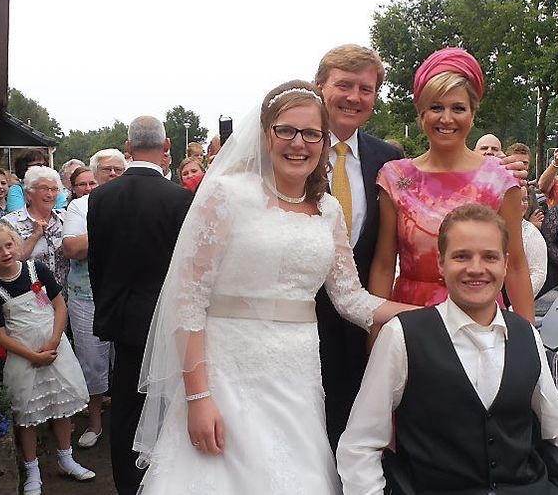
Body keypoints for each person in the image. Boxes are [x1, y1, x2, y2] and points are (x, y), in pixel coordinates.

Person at [132, 80, 415, 495]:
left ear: (323, 140)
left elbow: (351, 299)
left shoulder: (328, 209)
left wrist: (426, 313)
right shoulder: (227, 196)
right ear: (267, 134)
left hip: (297, 376)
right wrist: (198, 398)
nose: (298, 143)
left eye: (311, 133)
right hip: (226, 373)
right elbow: (187, 300)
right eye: (287, 130)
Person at [337, 204, 558, 495]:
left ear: (505, 265)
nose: (476, 268)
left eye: (489, 257)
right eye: (461, 256)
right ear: (441, 264)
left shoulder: (526, 334)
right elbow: (361, 445)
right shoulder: (401, 336)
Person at [370, 48, 534, 321]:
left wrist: (528, 340)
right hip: (411, 321)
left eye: (458, 108)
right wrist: (374, 331)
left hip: (479, 318)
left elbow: (515, 264)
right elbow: (385, 264)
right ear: (421, 112)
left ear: (472, 114)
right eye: (436, 107)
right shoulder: (394, 177)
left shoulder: (500, 180)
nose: (446, 118)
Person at [87, 116, 194, 494]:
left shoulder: (100, 197)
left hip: (122, 317)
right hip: (166, 316)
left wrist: (108, 308)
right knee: (169, 404)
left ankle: (127, 484)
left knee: (128, 406)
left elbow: (96, 263)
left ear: (128, 147)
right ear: (165, 148)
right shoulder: (181, 198)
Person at [311, 44, 404, 449]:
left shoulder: (388, 160)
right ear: (319, 86)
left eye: (366, 89)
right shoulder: (290, 149)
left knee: (355, 430)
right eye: (344, 85)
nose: (354, 97)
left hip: (363, 318)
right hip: (297, 320)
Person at [0, 223, 95, 494]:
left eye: (8, 245)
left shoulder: (36, 270)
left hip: (55, 349)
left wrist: (53, 341)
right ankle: (32, 470)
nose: (5, 252)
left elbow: (59, 305)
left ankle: (66, 459)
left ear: (16, 244)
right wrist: (31, 355)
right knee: (29, 415)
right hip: (23, 357)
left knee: (60, 406)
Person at [61, 163, 110, 450]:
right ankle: (94, 423)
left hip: (121, 294)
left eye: (119, 169)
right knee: (91, 361)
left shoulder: (122, 202)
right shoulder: (79, 207)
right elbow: (73, 248)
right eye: (107, 170)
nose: (112, 174)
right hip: (86, 295)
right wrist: (115, 234)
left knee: (124, 360)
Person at [2, 167, 70, 289]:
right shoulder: (11, 222)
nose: (50, 194)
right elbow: (11, 261)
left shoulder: (66, 218)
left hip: (66, 296)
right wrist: (34, 236)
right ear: (28, 194)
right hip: (29, 298)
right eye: (44, 189)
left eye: (54, 189)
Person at [519, 185, 548, 297]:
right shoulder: (488, 227)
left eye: (525, 199)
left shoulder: (531, 233)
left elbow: (538, 274)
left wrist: (517, 302)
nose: (522, 204)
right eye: (516, 199)